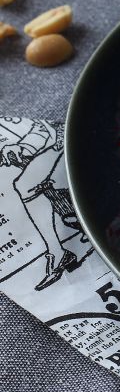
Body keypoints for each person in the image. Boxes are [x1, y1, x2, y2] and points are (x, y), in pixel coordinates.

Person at [0, 119, 82, 290]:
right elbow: (40, 129)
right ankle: (59, 250)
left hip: (73, 138)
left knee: (25, 185)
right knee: (26, 183)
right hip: (61, 141)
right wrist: (23, 147)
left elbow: (52, 129)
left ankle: (59, 251)